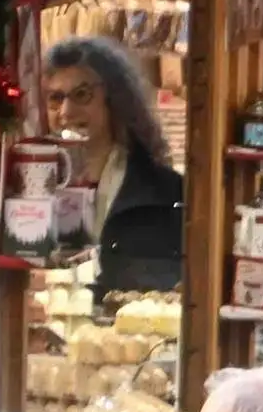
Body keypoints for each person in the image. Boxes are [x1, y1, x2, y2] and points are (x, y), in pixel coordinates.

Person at [39, 33, 187, 291]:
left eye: (81, 94)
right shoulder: (29, 193)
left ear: (114, 98)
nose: (66, 112)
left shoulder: (168, 192)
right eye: (55, 98)